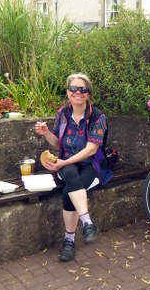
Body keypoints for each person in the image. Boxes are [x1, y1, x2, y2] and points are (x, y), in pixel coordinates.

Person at [34, 74, 112, 261]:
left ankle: (69, 241)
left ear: (88, 93)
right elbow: (57, 143)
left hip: (90, 164)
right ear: (68, 92)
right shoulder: (63, 113)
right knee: (69, 173)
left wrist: (64, 162)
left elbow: (91, 149)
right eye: (73, 89)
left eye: (82, 89)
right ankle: (87, 223)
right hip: (66, 164)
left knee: (68, 190)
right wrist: (46, 133)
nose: (78, 93)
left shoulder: (98, 116)